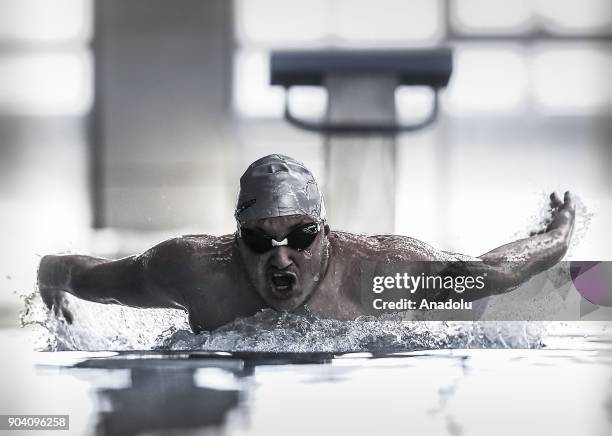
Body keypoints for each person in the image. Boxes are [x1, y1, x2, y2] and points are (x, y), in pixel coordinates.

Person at [38, 154, 575, 333]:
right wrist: (58, 312)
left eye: (299, 236)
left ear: (324, 232)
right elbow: (69, 272)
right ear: (236, 237)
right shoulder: (193, 271)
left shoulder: (374, 276)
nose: (281, 256)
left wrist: (557, 236)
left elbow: (493, 274)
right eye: (260, 239)